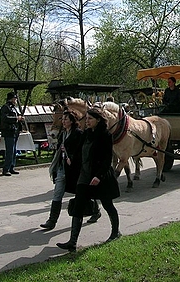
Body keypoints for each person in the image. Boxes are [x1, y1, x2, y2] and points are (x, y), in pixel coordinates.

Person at [56, 107, 121, 252]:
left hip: (100, 176)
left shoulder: (105, 135)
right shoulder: (85, 134)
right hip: (84, 175)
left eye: (90, 119)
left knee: (107, 204)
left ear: (98, 120)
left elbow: (107, 159)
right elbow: (79, 152)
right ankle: (72, 242)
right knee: (77, 206)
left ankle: (115, 232)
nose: (87, 122)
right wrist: (72, 160)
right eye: (86, 119)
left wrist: (99, 176)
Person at [41, 110, 100, 230]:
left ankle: (95, 211)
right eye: (62, 119)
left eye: (65, 119)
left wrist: (72, 158)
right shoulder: (63, 133)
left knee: (81, 194)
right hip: (63, 168)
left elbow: (81, 151)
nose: (63, 122)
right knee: (58, 192)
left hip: (75, 170)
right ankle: (52, 221)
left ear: (72, 121)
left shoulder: (78, 133)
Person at [0, 92, 24, 176]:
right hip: (8, 131)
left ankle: (11, 167)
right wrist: (16, 118)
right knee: (10, 150)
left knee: (14, 150)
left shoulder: (13, 108)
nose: (16, 100)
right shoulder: (5, 107)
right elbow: (5, 118)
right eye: (15, 98)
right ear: (12, 99)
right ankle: (6, 168)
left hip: (14, 131)